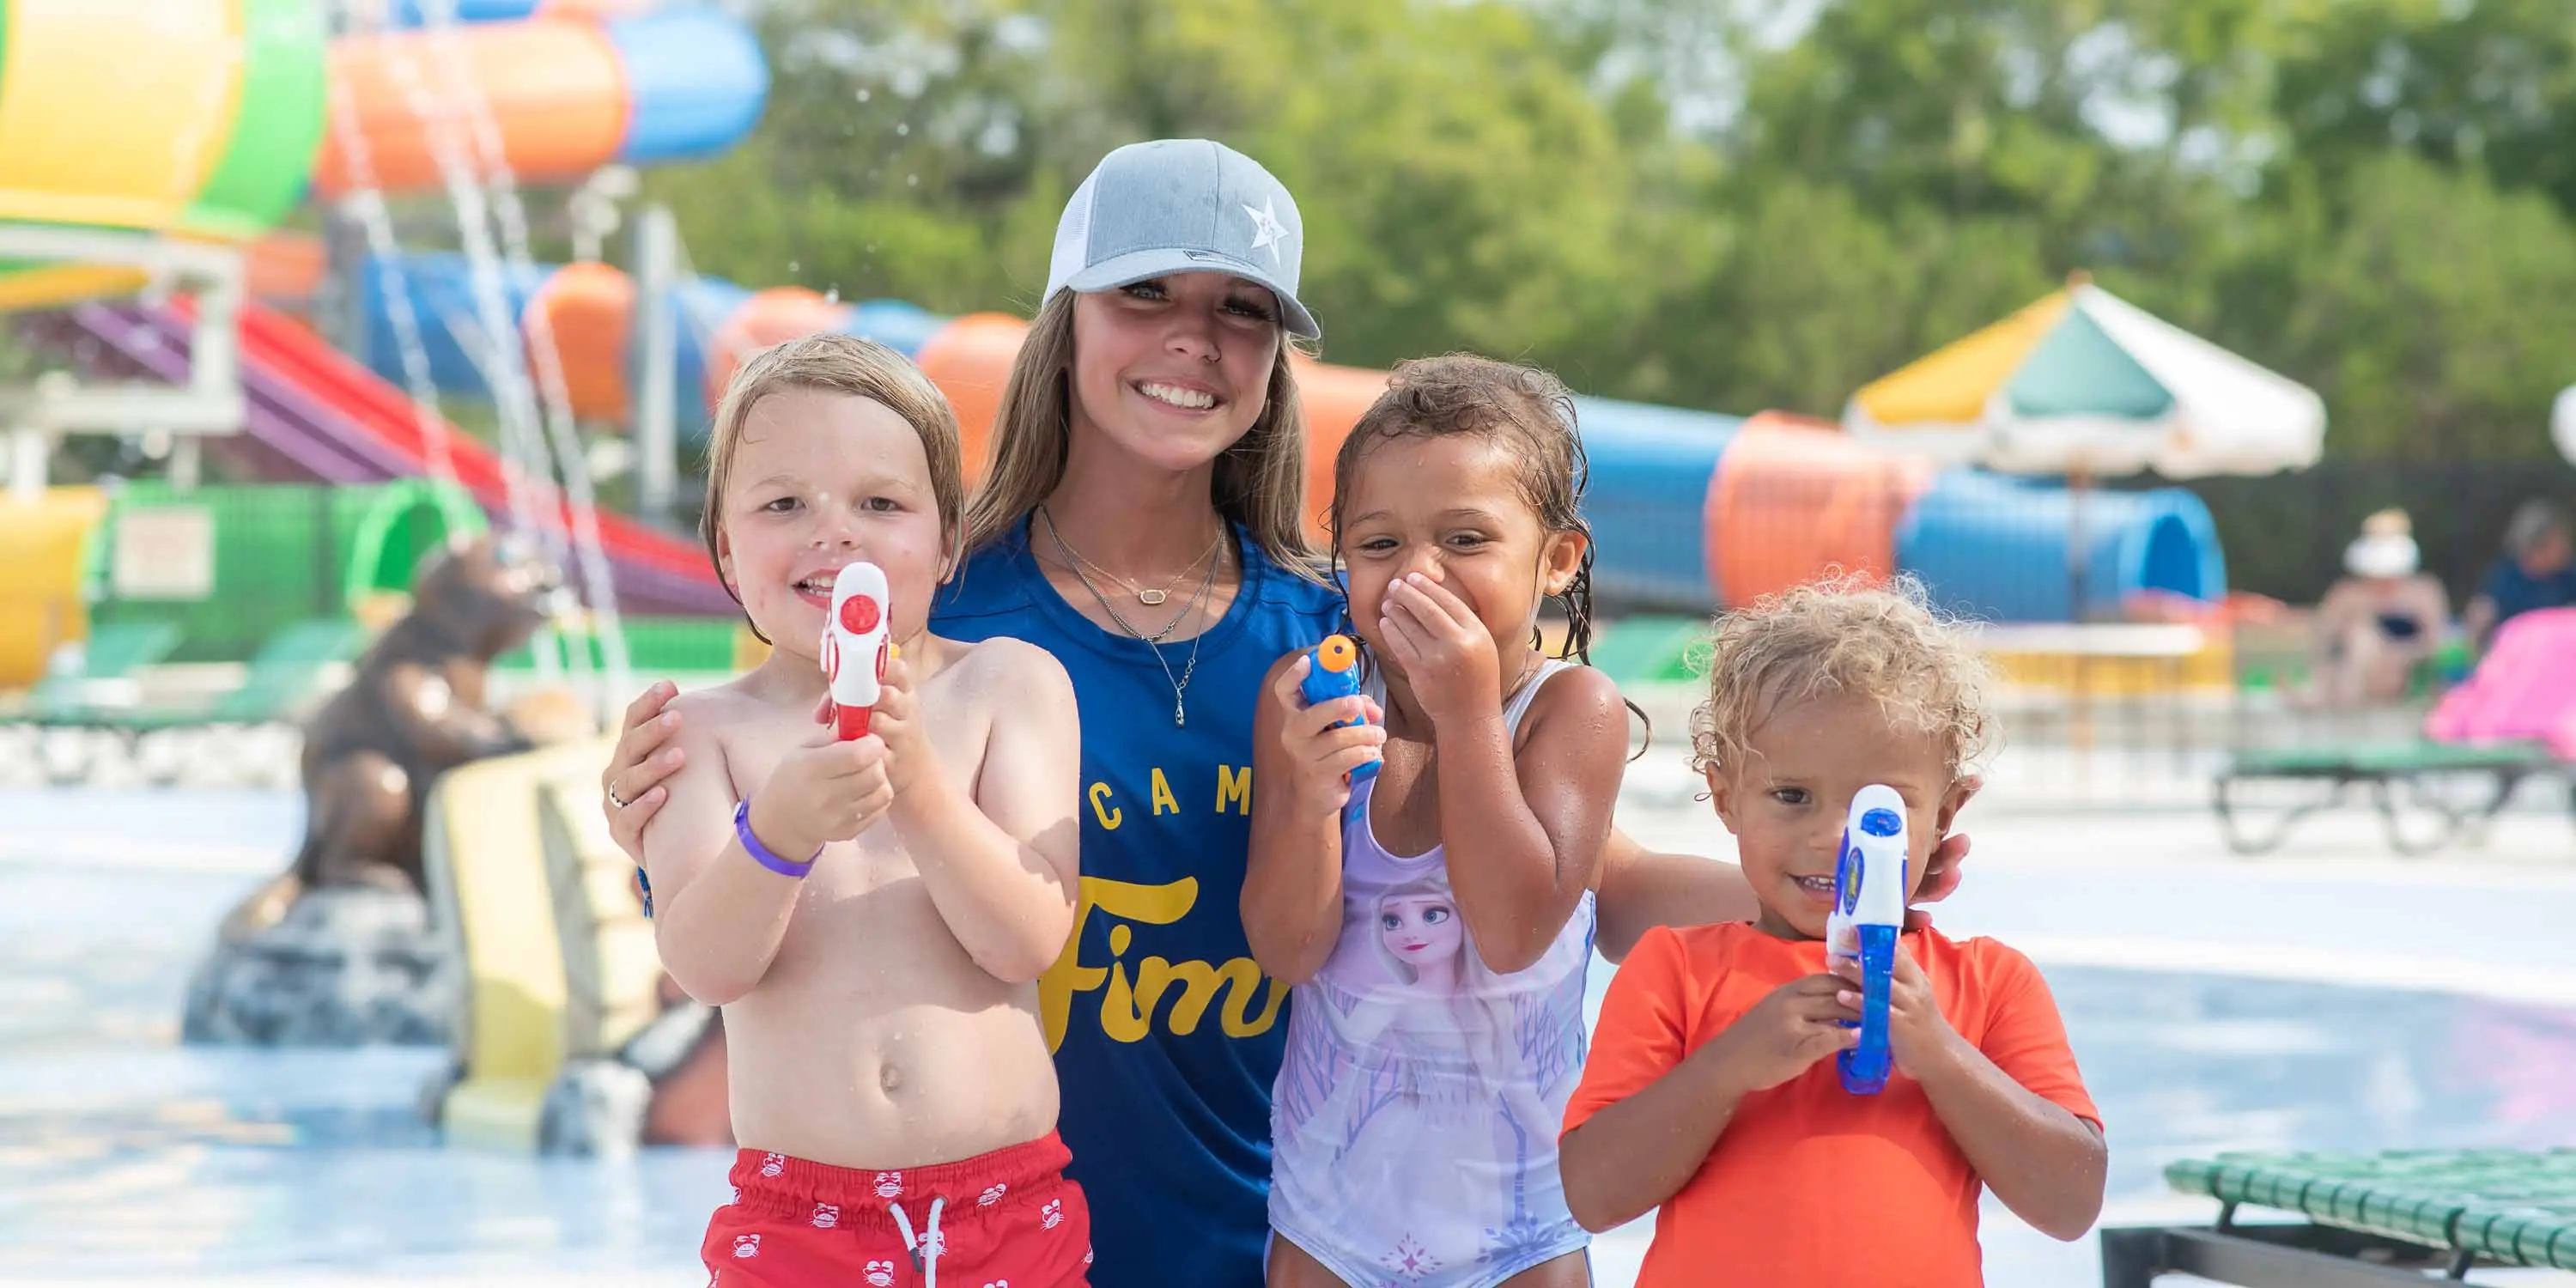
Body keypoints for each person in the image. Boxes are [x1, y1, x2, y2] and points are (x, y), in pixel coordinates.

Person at [596, 138, 1977, 1287]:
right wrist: (640, 811)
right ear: (1065, 315)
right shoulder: (937, 616)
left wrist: (1811, 888)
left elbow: (1557, 881)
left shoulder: (1343, 624)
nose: (1194, 341)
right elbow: (767, 854)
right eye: (1146, 294)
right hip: (1022, 1237)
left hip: (1299, 1236)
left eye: (1241, 309)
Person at [638, 334, 1091, 1287]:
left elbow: (1026, 940)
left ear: (948, 539)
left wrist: (920, 787)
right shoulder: (701, 733)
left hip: (1006, 1207)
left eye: (880, 503)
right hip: (796, 1222)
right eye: (782, 504)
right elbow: (707, 966)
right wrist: (778, 837)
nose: (833, 533)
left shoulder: (1008, 687)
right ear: (726, 544)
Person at [1558, 580, 2105, 1287]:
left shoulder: (1990, 985)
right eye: (1791, 797)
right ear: (1725, 797)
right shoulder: (1675, 970)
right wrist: (1730, 1067)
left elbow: (2070, 1203)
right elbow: (1593, 1196)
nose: (1830, 838)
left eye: (1879, 806)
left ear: (1945, 812)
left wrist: (1940, 1055)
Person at [1251, 356, 1624, 1287]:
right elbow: (1288, 951)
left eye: (1464, 538)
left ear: (1557, 560)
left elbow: (1510, 931)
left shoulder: (1569, 712)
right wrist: (1307, 800)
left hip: (1522, 1227)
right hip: (1331, 1222)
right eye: (1380, 546)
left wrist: (1465, 714)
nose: (1419, 574)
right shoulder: (1308, 697)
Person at [2308, 507, 2449, 707]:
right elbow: (2325, 639)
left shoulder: (2423, 592)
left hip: (2403, 673)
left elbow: (2435, 642)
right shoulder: (2347, 594)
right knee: (2360, 639)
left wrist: (2399, 654)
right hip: (2352, 675)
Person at [2464, 500, 2576, 653]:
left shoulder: (2568, 574)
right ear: (2538, 547)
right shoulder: (2505, 577)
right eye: (2559, 542)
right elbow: (2481, 612)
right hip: (2517, 655)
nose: (2566, 548)